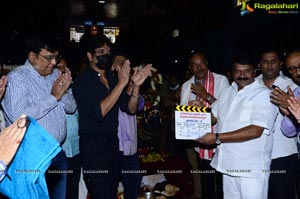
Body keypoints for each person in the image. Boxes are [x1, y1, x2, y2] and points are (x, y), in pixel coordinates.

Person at [72, 34, 151, 199]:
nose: (105, 54)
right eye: (101, 51)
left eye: (108, 51)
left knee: (111, 191)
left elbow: (129, 108)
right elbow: (99, 112)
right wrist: (122, 83)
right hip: (93, 148)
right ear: (90, 56)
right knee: (101, 193)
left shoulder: (112, 79)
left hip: (113, 145)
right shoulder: (82, 81)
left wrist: (135, 86)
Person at [1, 33, 77, 199]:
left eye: (56, 57)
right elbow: (19, 118)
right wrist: (53, 97)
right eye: (49, 58)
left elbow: (72, 107)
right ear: (33, 56)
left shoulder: (55, 75)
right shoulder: (17, 78)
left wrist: (63, 90)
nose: (54, 63)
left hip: (56, 152)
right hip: (29, 155)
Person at [196, 52, 277, 199]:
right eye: (237, 71)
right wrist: (194, 116)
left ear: (254, 71)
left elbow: (255, 130)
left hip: (250, 170)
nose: (242, 75)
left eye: (246, 71)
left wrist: (217, 137)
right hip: (228, 165)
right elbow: (213, 117)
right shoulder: (228, 91)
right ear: (231, 73)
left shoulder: (264, 94)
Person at [180, 51, 229, 199]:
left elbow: (227, 111)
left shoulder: (221, 81)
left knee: (222, 184)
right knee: (205, 181)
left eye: (201, 63)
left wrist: (205, 95)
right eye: (195, 65)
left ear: (207, 63)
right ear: (190, 68)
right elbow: (183, 118)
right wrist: (193, 109)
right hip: (200, 142)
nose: (199, 67)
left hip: (221, 141)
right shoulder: (186, 86)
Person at [255, 49, 298, 199]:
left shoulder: (292, 84)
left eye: (273, 61)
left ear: (280, 64)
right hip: (257, 153)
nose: (269, 65)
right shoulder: (251, 85)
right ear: (259, 65)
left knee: (283, 194)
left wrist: (290, 107)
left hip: (283, 153)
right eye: (265, 61)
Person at [56, 57, 81, 199]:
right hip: (60, 152)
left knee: (73, 190)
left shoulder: (74, 91)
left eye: (64, 67)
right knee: (59, 191)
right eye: (58, 67)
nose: (61, 70)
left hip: (76, 150)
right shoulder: (50, 93)